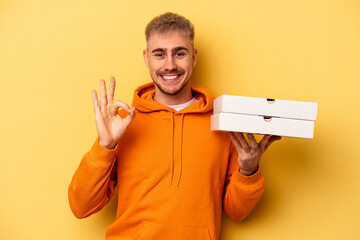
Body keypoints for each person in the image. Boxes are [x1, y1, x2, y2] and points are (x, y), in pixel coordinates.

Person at [68, 12, 281, 240]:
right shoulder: (121, 123)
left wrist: (248, 170)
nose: (170, 65)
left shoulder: (222, 122)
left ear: (194, 57)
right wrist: (105, 146)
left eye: (179, 53)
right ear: (146, 58)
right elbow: (81, 207)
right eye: (159, 54)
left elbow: (236, 212)